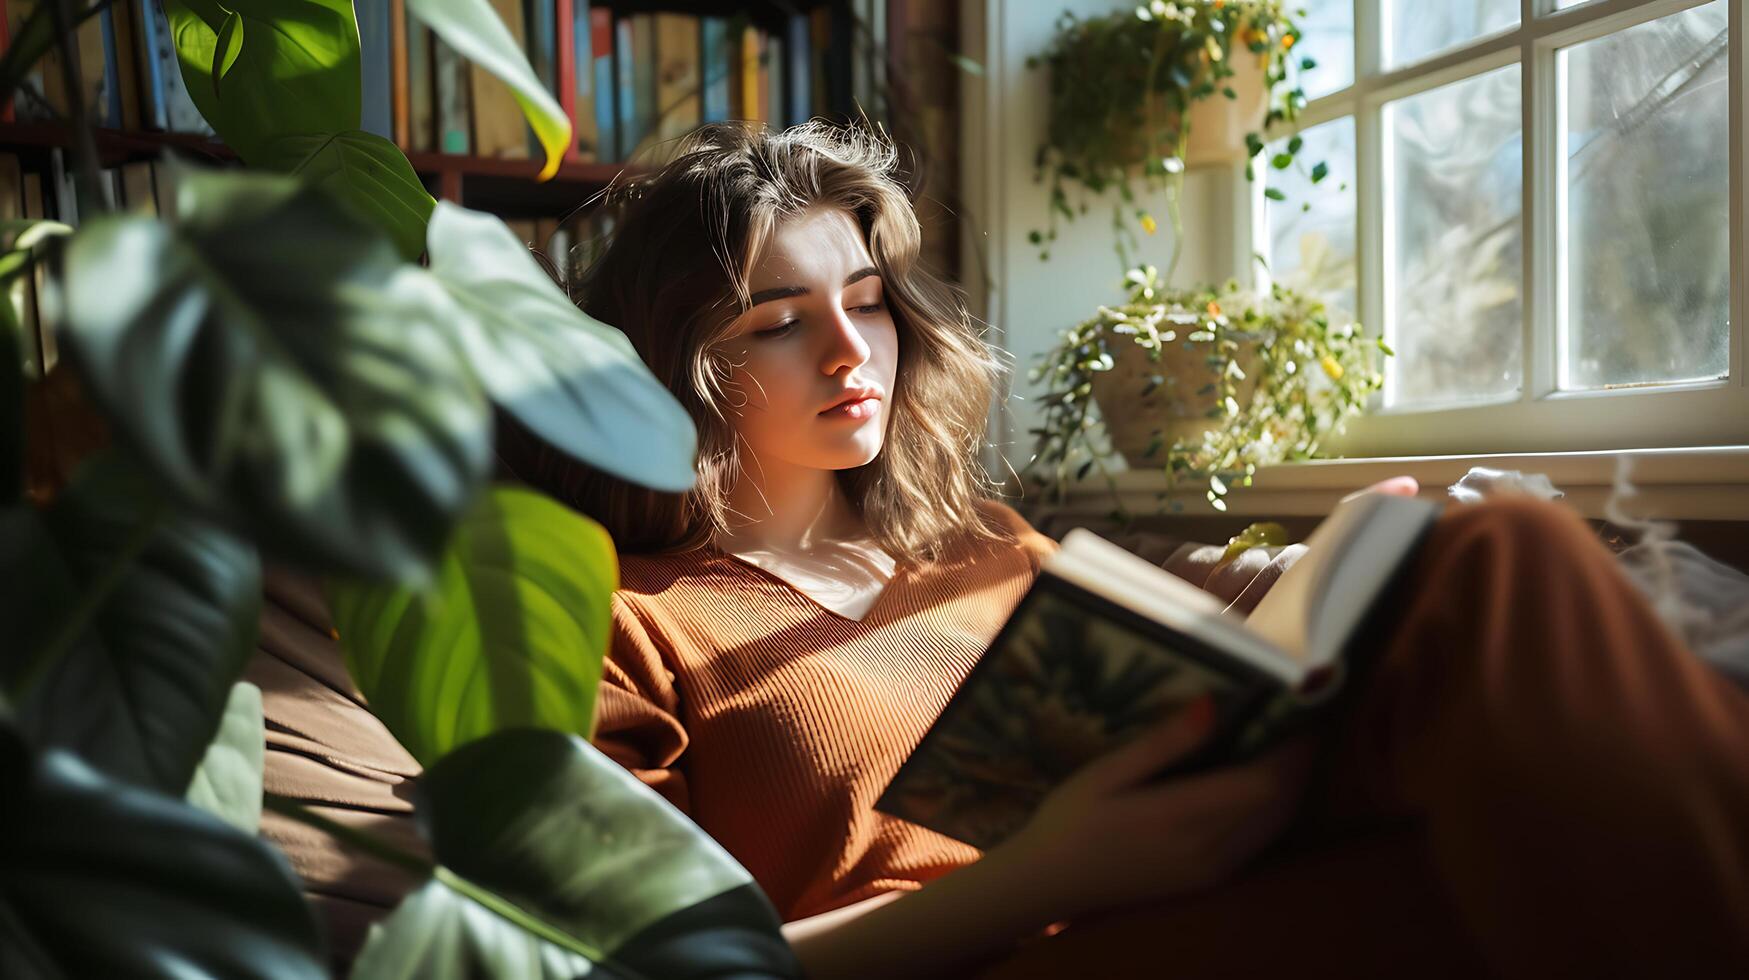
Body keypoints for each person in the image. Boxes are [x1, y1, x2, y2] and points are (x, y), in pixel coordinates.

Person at [506, 120, 1749, 978]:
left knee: (1498, 561)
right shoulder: (621, 620)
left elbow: (1194, 659)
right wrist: (1044, 871)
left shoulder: (977, 541)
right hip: (1002, 948)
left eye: (869, 301)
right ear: (675, 365)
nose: (849, 351)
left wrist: (1344, 570)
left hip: (1195, 879)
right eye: (780, 321)